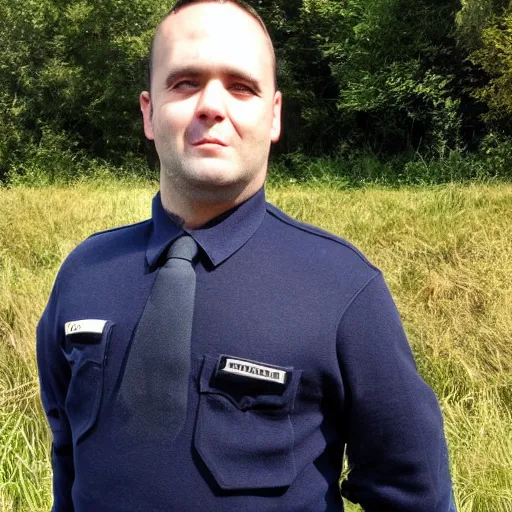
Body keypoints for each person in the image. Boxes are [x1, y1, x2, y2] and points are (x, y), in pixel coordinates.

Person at [37, 1, 456, 510]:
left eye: (241, 86)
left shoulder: (344, 289)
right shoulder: (84, 273)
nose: (212, 105)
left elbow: (413, 492)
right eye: (185, 83)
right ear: (149, 113)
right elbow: (68, 454)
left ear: (273, 115)